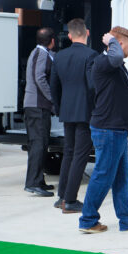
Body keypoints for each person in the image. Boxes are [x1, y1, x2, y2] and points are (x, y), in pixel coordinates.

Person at [78, 27, 128, 234]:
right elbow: (116, 57)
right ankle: (88, 220)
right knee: (103, 175)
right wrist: (112, 40)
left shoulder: (115, 64)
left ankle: (127, 219)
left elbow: (122, 93)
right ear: (119, 45)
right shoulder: (105, 62)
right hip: (108, 129)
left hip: (116, 127)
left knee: (121, 177)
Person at [49, 19, 96, 213]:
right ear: (88, 32)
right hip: (85, 111)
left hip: (67, 111)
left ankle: (61, 196)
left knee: (69, 152)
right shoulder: (91, 55)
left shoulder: (59, 56)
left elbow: (54, 86)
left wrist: (59, 108)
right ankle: (70, 200)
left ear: (69, 35)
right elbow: (93, 86)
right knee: (80, 155)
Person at [23, 27, 56, 197]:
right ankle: (33, 183)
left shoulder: (41, 53)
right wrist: (52, 98)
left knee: (41, 143)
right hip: (37, 105)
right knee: (38, 143)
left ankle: (38, 180)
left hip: (37, 106)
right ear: (52, 40)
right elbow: (39, 78)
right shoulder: (41, 53)